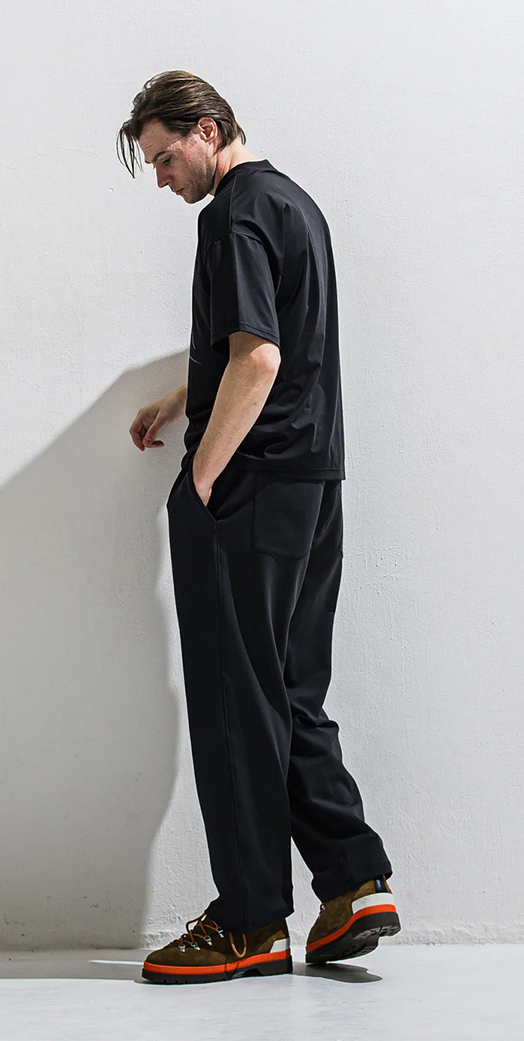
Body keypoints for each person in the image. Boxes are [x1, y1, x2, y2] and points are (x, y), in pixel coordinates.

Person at [120, 71, 399, 984]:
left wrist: (201, 478)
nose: (163, 178)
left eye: (167, 157)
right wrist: (182, 392)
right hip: (313, 482)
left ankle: (249, 923)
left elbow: (261, 356)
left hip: (247, 490)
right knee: (288, 689)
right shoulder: (294, 204)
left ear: (208, 130)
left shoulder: (233, 215)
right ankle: (353, 883)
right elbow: (268, 339)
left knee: (236, 700)